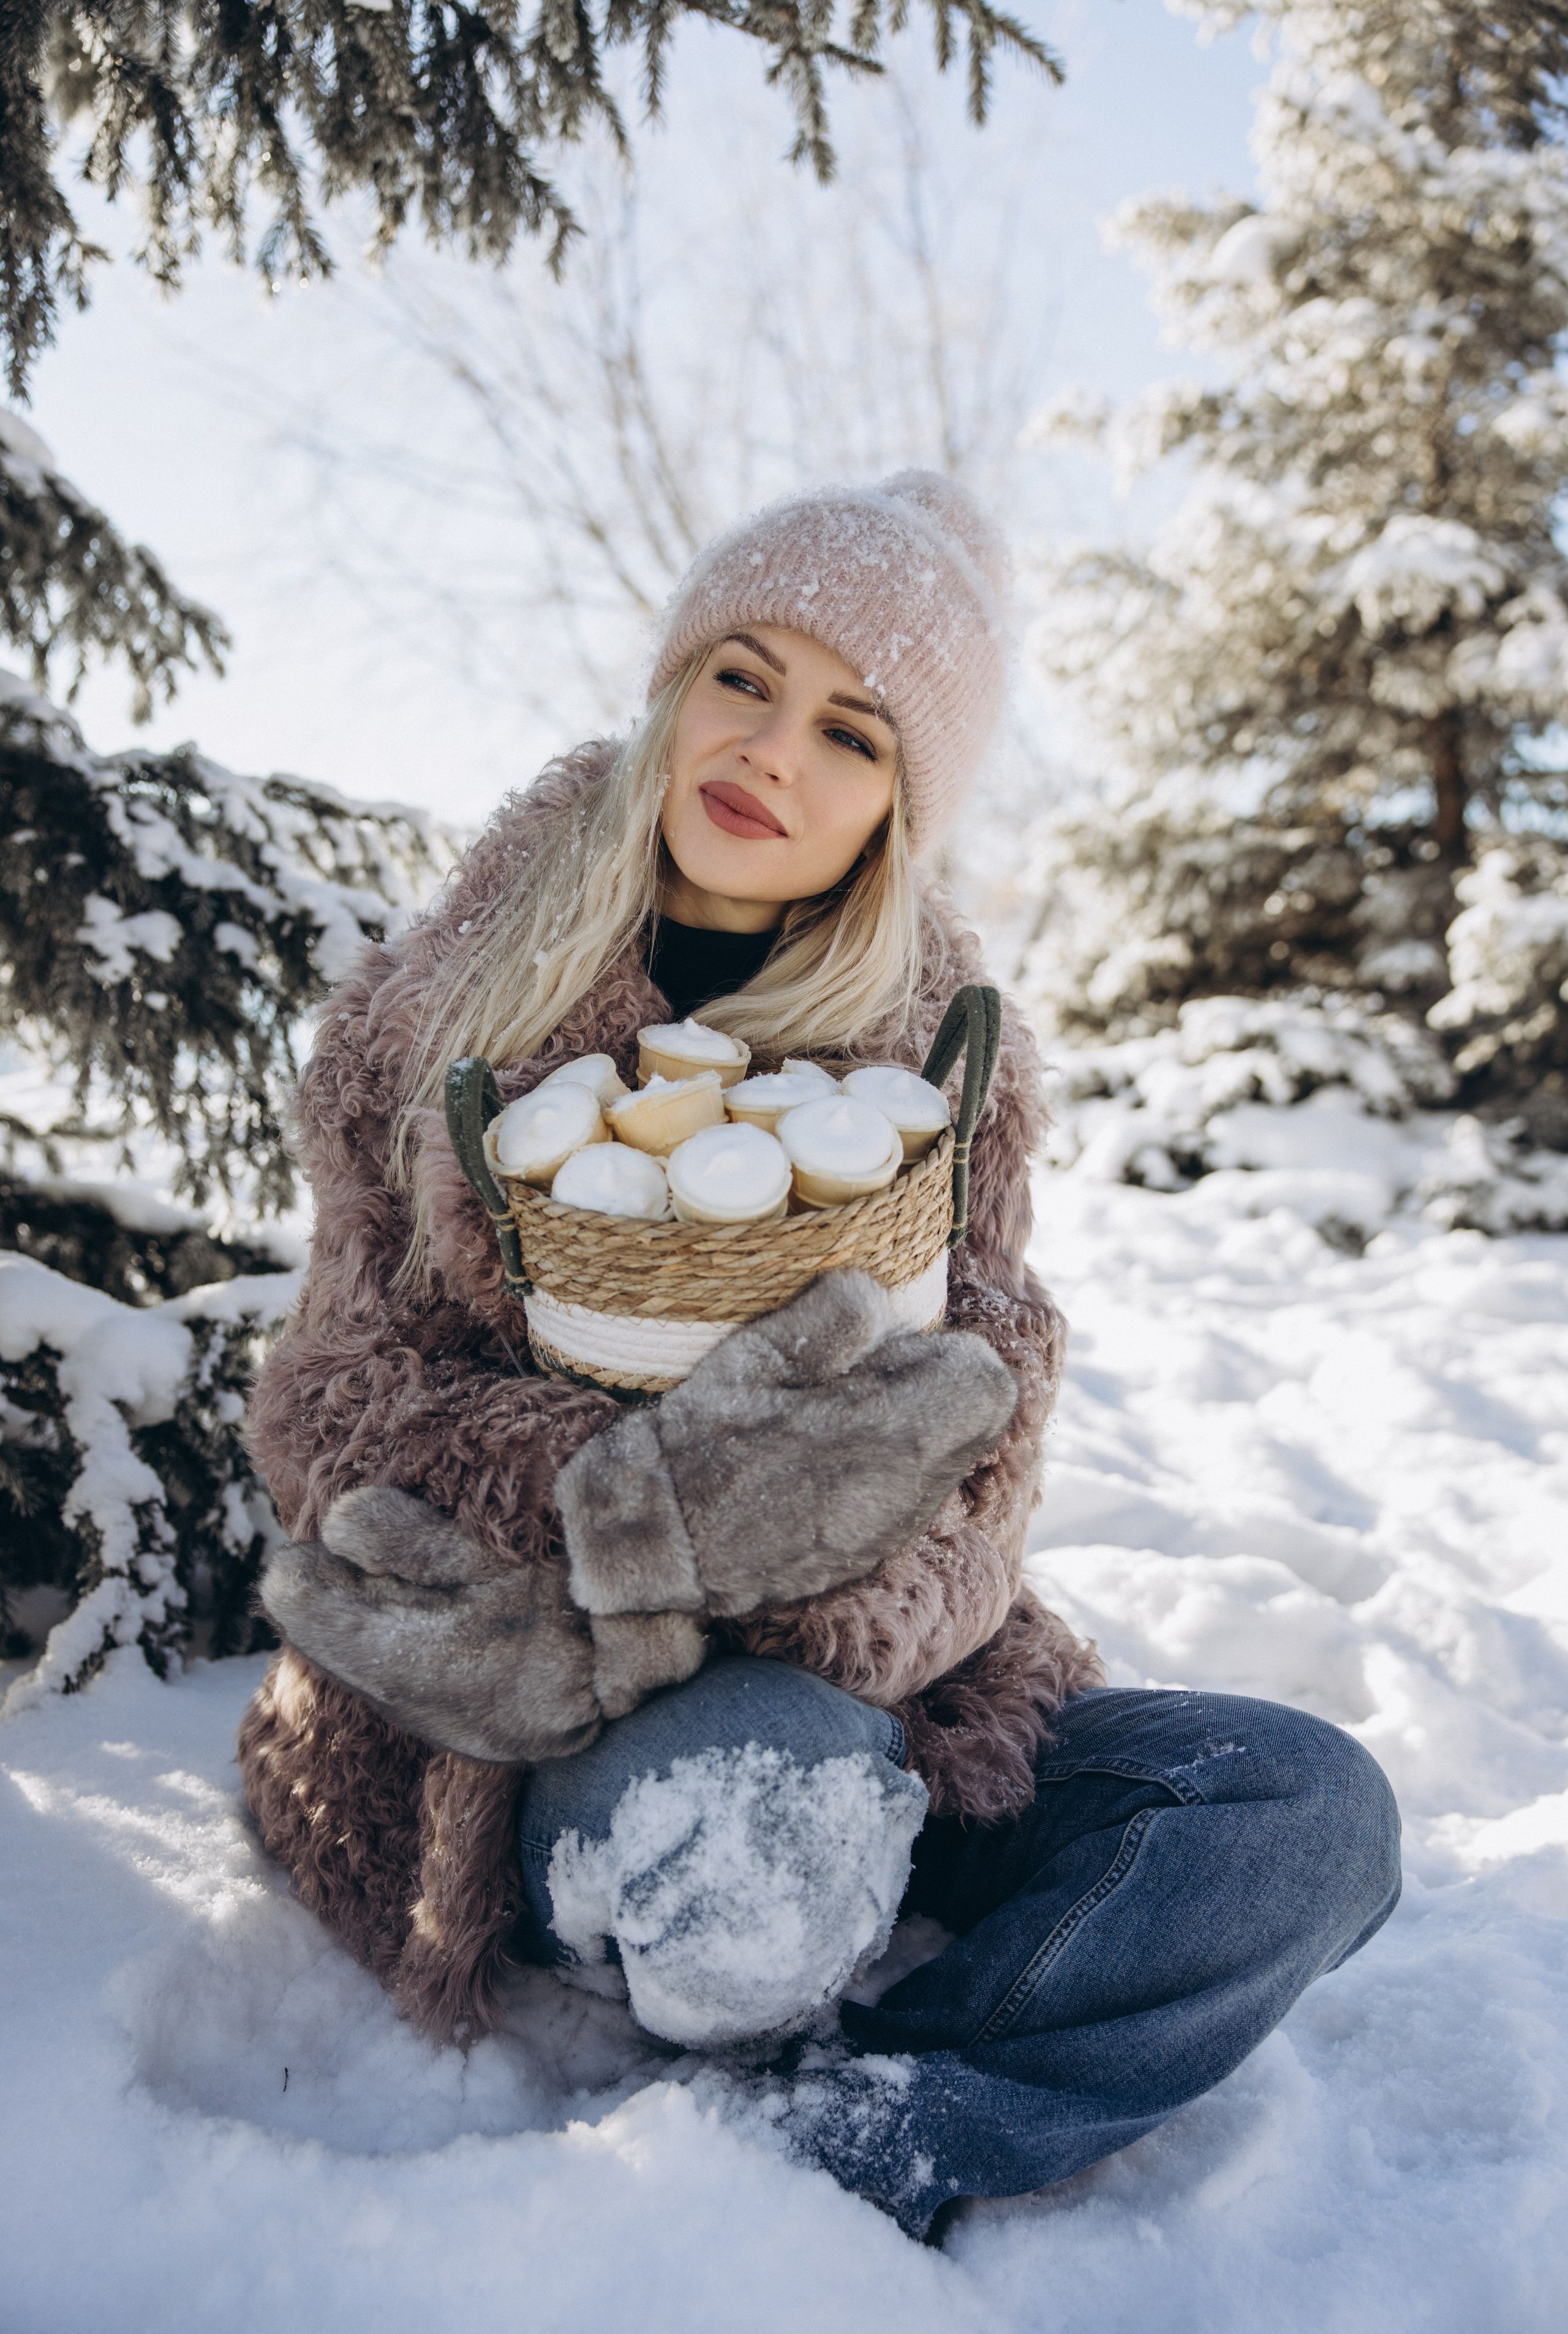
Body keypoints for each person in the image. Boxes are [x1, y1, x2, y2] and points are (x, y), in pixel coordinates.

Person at [239, 472, 1401, 2242]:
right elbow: (335, 1414)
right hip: (537, 1730)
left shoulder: (943, 1068)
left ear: (896, 806)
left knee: (1304, 1816)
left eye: (853, 733)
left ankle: (866, 2137)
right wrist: (673, 1516)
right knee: (763, 1807)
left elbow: (987, 1425)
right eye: (745, 679)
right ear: (674, 687)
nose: (773, 753)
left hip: (895, 1701)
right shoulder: (437, 1018)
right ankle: (769, 1944)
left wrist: (828, 1571)